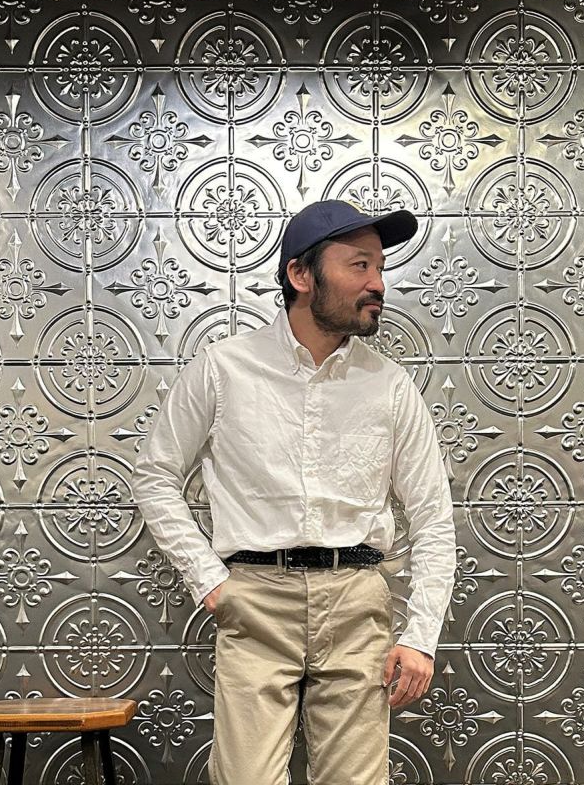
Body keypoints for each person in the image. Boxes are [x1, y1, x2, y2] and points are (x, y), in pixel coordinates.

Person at [132, 199, 456, 785]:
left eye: (380, 268)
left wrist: (421, 636)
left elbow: (432, 515)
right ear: (301, 275)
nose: (378, 285)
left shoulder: (390, 385)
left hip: (357, 603)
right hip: (256, 600)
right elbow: (155, 476)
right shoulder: (223, 369)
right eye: (359, 266)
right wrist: (210, 581)